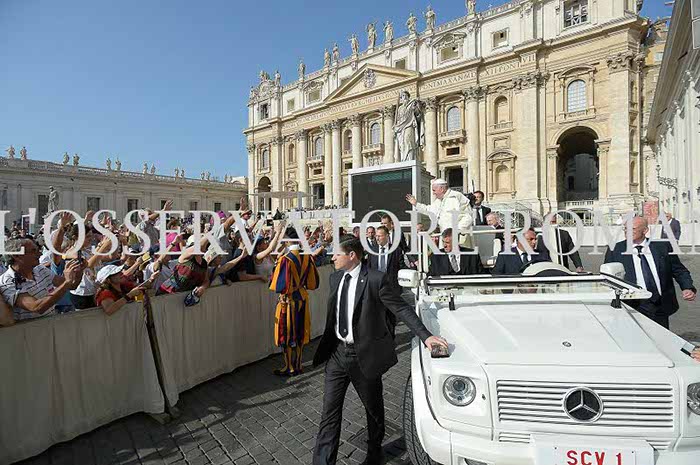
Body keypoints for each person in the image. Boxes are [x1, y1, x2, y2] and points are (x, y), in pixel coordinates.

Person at [312, 236, 448, 465]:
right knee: (329, 413)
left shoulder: (376, 279)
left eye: (336, 253)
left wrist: (425, 336)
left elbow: (401, 309)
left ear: (352, 255)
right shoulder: (335, 278)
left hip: (364, 356)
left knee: (373, 411)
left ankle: (374, 454)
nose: (332, 257)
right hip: (337, 355)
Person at [603, 216, 696, 329]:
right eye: (625, 229)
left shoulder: (662, 247)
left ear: (645, 230)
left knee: (661, 336)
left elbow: (678, 270)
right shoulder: (615, 249)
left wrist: (687, 287)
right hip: (632, 304)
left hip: (660, 304)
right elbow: (608, 278)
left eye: (633, 229)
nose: (628, 232)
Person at [269, 227, 320, 376]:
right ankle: (298, 364)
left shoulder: (286, 259)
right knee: (299, 332)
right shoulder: (307, 256)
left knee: (286, 334)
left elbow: (279, 286)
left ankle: (289, 367)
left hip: (288, 301)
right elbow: (312, 283)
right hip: (302, 298)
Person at [0, 238, 84, 321]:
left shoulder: (40, 269)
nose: (40, 254)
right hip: (31, 329)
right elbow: (37, 307)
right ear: (16, 256)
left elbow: (72, 286)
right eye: (33, 251)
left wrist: (79, 271)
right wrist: (66, 282)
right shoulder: (7, 282)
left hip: (52, 324)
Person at [405, 178, 472, 234]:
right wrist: (416, 204)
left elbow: (468, 216)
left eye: (434, 190)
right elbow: (428, 210)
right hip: (445, 236)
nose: (433, 193)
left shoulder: (457, 197)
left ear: (442, 189)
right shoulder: (438, 201)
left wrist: (457, 230)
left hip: (459, 236)